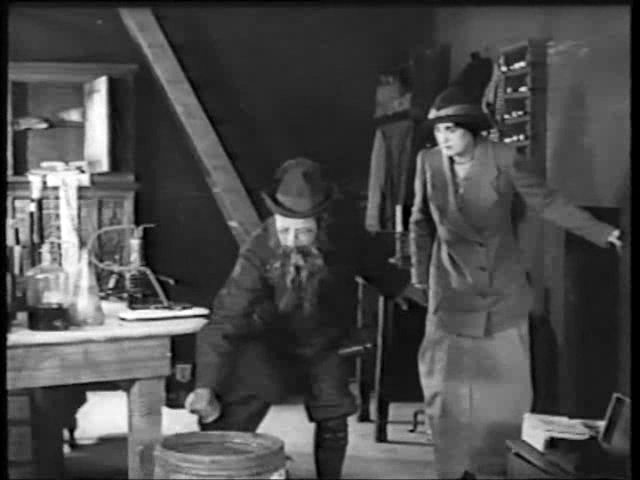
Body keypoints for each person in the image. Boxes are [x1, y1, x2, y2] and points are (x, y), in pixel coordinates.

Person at [409, 86, 623, 479]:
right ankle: (452, 471)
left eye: (452, 130)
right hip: (449, 287)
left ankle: (494, 469)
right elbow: (420, 222)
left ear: (472, 131)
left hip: (499, 291)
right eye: (438, 131)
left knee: (502, 395)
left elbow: (547, 202)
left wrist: (603, 232)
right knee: (446, 392)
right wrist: (420, 278)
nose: (444, 140)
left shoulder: (504, 159)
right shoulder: (428, 162)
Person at [187, 157, 415, 479]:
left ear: (321, 225)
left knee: (334, 411)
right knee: (229, 418)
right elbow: (226, 317)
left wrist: (403, 288)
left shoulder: (345, 237)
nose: (293, 241)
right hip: (268, 342)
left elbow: (375, 266)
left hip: (324, 342)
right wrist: (205, 386)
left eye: (304, 231)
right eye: (285, 230)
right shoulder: (259, 248)